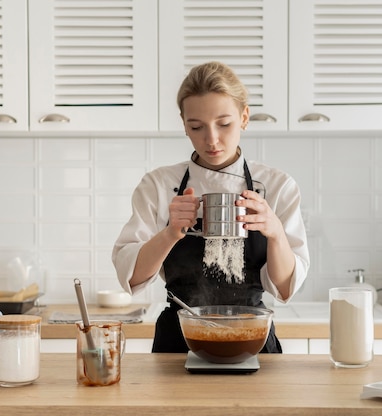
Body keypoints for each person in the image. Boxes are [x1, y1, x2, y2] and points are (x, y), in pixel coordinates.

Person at [112, 61, 309, 353]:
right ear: (184, 125)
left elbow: (283, 289)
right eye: (196, 127)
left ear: (244, 117)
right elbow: (133, 278)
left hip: (252, 336)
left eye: (224, 124)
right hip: (178, 340)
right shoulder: (158, 184)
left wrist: (276, 233)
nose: (212, 139)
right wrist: (170, 233)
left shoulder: (277, 186)